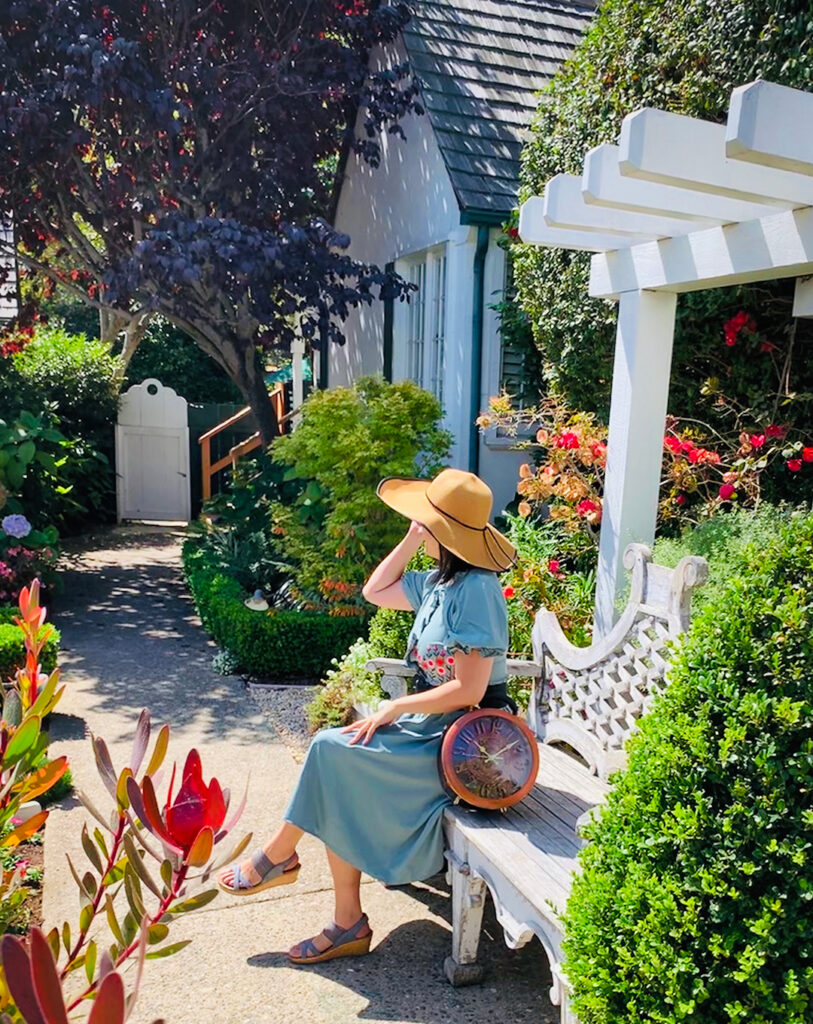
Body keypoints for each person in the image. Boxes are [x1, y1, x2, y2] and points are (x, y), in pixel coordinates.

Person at [218, 467, 516, 965]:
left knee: (333, 755)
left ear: (446, 532)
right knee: (336, 756)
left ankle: (292, 870)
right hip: (430, 727)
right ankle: (338, 913)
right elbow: (376, 590)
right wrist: (409, 539)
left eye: (427, 521)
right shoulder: (441, 583)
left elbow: (471, 688)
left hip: (468, 742)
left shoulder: (477, 589)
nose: (421, 527)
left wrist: (396, 706)